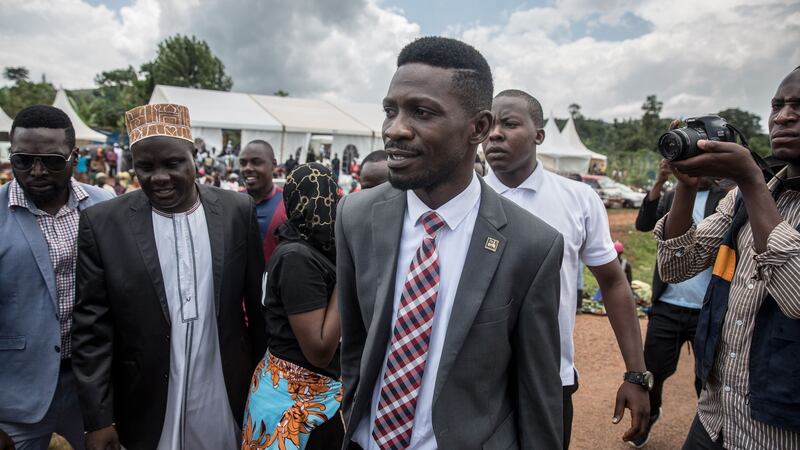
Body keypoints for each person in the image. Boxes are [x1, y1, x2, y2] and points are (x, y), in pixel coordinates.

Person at [337, 36, 564, 450]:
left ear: (478, 128)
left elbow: (537, 394)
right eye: (390, 111)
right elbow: (354, 346)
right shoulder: (355, 216)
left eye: (421, 112)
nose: (394, 129)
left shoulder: (532, 246)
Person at [71, 103, 267, 450]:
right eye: (145, 167)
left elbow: (258, 308)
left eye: (172, 164)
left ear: (194, 157)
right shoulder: (103, 224)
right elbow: (91, 329)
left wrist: (264, 389)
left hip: (223, 388)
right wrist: (98, 419)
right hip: (145, 398)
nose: (158, 177)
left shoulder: (237, 211)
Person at [482, 89, 650, 448]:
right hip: (474, 381)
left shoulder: (578, 199)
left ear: (539, 135)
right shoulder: (465, 200)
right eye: (488, 125)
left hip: (550, 378)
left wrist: (636, 374)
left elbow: (613, 284)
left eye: (509, 124)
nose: (494, 134)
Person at [655, 67, 800, 449]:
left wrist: (750, 180)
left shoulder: (751, 190)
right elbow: (676, 266)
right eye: (778, 105)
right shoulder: (741, 198)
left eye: (799, 107)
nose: (784, 116)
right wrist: (686, 188)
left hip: (778, 433)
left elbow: (796, 298)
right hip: (714, 416)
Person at [0, 105, 113, 450]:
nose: (36, 171)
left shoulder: (104, 205)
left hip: (90, 383)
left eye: (51, 161)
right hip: (14, 393)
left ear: (74, 156)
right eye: (22, 160)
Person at [243, 163, 343, 450]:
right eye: (329, 201)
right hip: (294, 404)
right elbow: (319, 351)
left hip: (300, 397)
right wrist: (349, 274)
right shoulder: (297, 258)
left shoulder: (307, 247)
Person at [633, 161, 726, 447]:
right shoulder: (674, 195)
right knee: (653, 369)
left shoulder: (726, 198)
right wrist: (659, 182)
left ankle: (710, 431)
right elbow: (643, 224)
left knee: (707, 378)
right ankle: (650, 414)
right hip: (667, 305)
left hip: (709, 309)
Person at [240, 139, 287, 264]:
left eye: (256, 162)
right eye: (243, 163)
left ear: (273, 165)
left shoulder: (288, 204)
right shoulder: (232, 201)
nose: (247, 168)